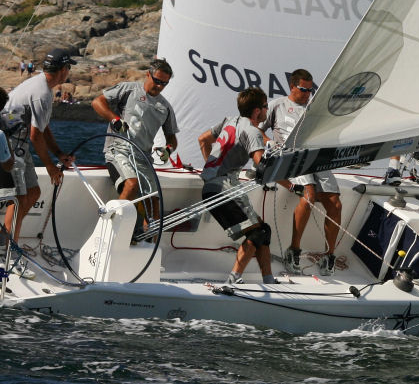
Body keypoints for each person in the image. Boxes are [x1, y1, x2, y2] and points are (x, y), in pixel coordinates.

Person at [1, 48, 76, 278]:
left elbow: (42, 128)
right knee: (21, 197)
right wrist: (51, 167)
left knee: (32, 193)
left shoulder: (40, 85)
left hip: (18, 140)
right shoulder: (42, 93)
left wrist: (58, 153)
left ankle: (9, 244)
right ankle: (8, 254)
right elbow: (36, 136)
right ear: (63, 70)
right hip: (12, 143)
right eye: (69, 68)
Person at [262, 69, 345, 275]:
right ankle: (294, 250)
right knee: (308, 195)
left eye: (310, 90)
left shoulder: (313, 108)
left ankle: (329, 254)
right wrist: (270, 143)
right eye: (303, 90)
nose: (308, 94)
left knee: (335, 203)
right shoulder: (277, 105)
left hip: (315, 158)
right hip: (292, 158)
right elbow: (257, 130)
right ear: (292, 86)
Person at [91, 58, 179, 239]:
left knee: (154, 204)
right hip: (119, 149)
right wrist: (114, 119)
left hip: (143, 157)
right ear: (148, 74)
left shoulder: (165, 107)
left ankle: (148, 247)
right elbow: (97, 102)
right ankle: (109, 233)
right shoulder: (128, 89)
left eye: (164, 83)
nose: (160, 86)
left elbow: (172, 137)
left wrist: (168, 150)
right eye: (157, 81)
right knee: (132, 185)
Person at [198, 86, 277, 284]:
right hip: (224, 188)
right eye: (266, 107)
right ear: (257, 110)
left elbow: (203, 139)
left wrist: (211, 167)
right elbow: (260, 163)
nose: (267, 111)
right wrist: (291, 183)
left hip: (211, 186)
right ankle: (233, 279)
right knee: (257, 232)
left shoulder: (228, 121)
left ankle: (268, 279)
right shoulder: (252, 131)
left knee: (262, 230)